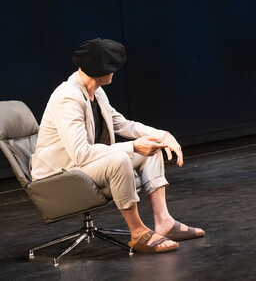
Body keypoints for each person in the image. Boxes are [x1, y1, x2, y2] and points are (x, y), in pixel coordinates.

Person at [30, 38, 204, 254]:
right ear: (102, 69)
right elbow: (81, 154)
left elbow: (123, 124)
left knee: (152, 147)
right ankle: (138, 232)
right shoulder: (68, 97)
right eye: (113, 66)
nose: (116, 70)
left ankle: (164, 222)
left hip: (80, 165)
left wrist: (163, 136)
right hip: (59, 175)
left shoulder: (96, 92)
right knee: (120, 159)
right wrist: (132, 147)